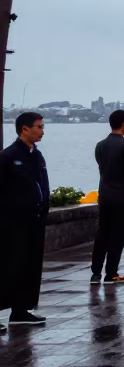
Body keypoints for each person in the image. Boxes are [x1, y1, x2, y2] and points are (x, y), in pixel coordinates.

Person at [0, 112, 50, 328]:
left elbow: (42, 185)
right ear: (25, 129)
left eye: (42, 127)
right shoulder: (8, 156)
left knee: (29, 267)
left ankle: (20, 311)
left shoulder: (37, 156)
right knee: (10, 267)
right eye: (39, 127)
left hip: (34, 221)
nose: (42, 131)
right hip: (13, 223)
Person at [92, 110, 124, 285]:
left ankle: (95, 273)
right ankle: (111, 272)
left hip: (105, 195)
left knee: (103, 233)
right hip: (123, 197)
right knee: (118, 235)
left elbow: (102, 168)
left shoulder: (100, 145)